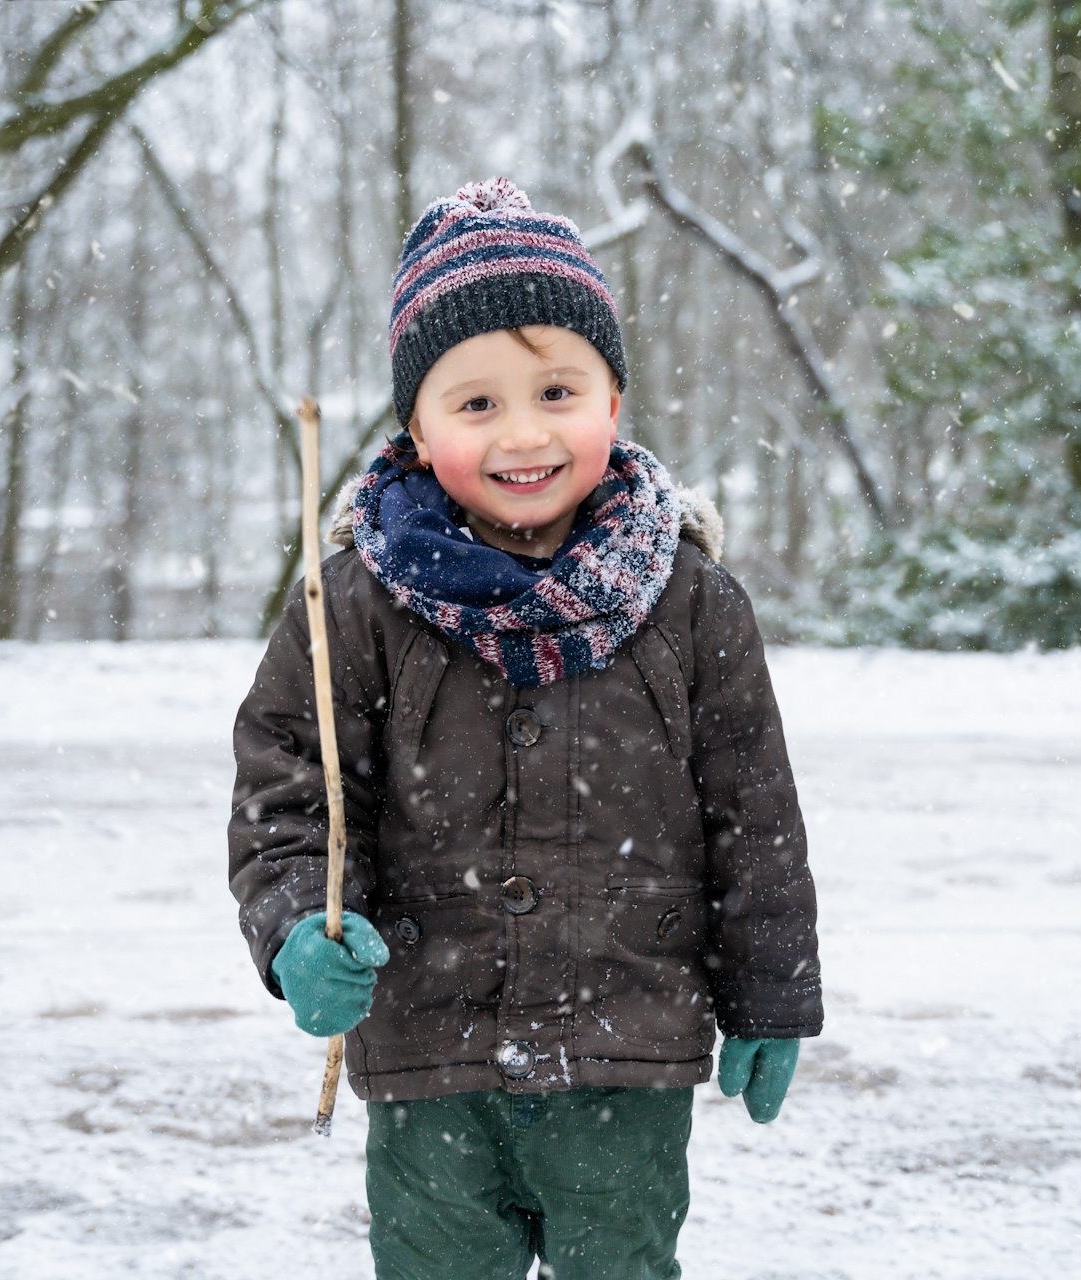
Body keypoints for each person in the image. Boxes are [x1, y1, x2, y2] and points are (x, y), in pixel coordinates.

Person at [228, 177, 822, 1280]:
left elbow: (753, 814)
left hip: (625, 1044)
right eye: (477, 403)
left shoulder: (689, 601)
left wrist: (771, 988)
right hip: (428, 1048)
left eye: (558, 389)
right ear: (415, 425)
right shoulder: (354, 601)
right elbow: (288, 789)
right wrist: (295, 928)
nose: (526, 432)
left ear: (613, 399)